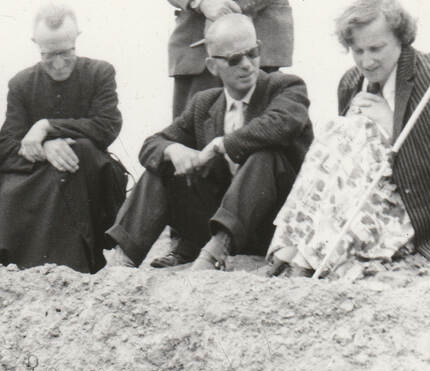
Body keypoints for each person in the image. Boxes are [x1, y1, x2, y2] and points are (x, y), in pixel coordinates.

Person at [105, 14, 312, 271]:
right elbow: (150, 145)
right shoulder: (205, 104)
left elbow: (281, 124)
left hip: (274, 225)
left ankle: (215, 253)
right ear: (213, 66)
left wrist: (219, 145)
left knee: (265, 155)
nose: (247, 65)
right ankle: (123, 258)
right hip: (217, 223)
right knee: (162, 164)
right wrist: (174, 150)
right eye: (235, 59)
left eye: (253, 52)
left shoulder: (285, 87)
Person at [269, 0, 429, 278]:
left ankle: (306, 258)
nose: (366, 61)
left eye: (376, 49)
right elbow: (335, 165)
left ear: (401, 39)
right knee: (335, 131)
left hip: (411, 203)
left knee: (358, 130)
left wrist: (390, 124)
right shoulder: (351, 81)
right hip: (362, 195)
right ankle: (292, 246)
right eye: (358, 50)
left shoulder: (425, 79)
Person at [0, 3, 127, 274]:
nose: (59, 64)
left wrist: (47, 126)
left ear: (76, 39)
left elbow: (107, 127)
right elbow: (5, 146)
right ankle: (22, 263)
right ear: (35, 44)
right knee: (16, 182)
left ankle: (74, 262)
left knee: (81, 152)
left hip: (88, 175)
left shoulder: (100, 73)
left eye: (65, 53)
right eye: (49, 55)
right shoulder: (21, 83)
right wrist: (45, 148)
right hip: (34, 171)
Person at [166, 0, 294, 117]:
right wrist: (201, 2)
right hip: (196, 49)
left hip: (259, 41)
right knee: (190, 136)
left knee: (265, 131)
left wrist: (229, 9)